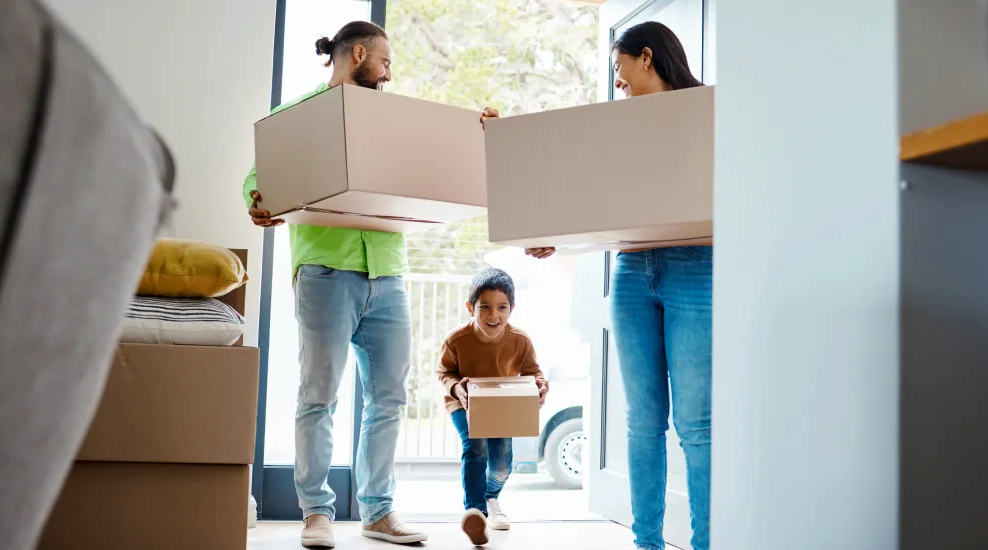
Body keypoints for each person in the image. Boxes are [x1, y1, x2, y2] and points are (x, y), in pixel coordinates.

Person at [482, 21, 712, 550]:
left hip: (697, 265)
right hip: (632, 271)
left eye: (620, 69)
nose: (619, 82)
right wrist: (552, 238)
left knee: (697, 426)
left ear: (647, 58)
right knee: (643, 421)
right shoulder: (615, 128)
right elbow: (590, 196)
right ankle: (647, 543)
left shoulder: (707, 112)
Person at [243, 21, 426, 548]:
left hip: (387, 271)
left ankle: (378, 512)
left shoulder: (395, 122)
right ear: (360, 54)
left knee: (390, 396)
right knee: (318, 396)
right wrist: (259, 201)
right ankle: (316, 513)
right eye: (385, 62)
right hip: (324, 269)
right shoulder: (297, 117)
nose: (390, 73)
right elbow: (256, 180)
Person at [435, 268, 549, 546]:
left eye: (501, 307)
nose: (493, 315)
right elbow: (443, 372)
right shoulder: (456, 340)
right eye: (484, 307)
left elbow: (534, 372)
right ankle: (475, 512)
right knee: (476, 446)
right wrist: (457, 387)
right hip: (463, 403)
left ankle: (490, 496)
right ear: (470, 307)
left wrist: (541, 386)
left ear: (512, 308)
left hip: (501, 404)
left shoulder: (520, 341)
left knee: (501, 465)